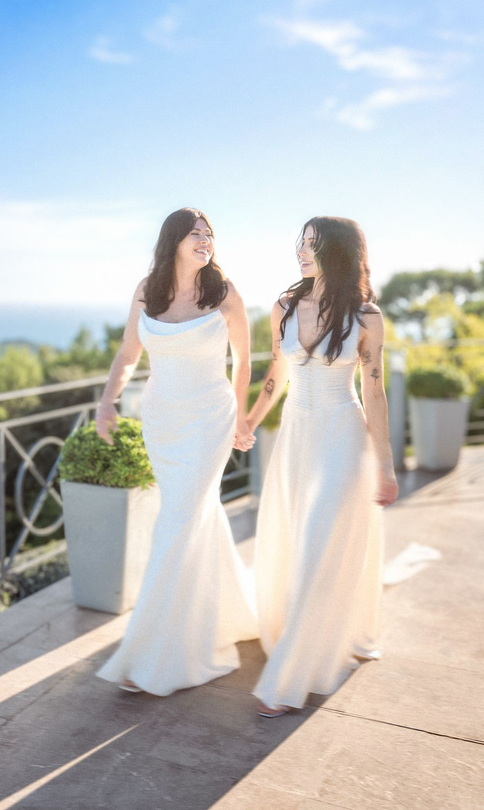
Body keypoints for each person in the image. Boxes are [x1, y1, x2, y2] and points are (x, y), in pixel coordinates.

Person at [95, 207, 258, 696]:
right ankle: (228, 613)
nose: (205, 240)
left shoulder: (223, 291)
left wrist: (243, 417)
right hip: (162, 422)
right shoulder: (148, 289)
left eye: (210, 234)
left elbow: (245, 360)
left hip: (210, 420)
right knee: (192, 516)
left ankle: (152, 648)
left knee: (177, 520)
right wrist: (107, 403)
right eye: (195, 234)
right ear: (173, 240)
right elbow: (128, 352)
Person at [247, 216, 398, 717]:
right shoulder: (284, 307)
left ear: (339, 252)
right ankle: (311, 638)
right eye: (301, 242)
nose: (301, 251)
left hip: (342, 438)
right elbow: (276, 373)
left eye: (312, 244)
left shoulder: (367, 317)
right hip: (295, 438)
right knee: (296, 542)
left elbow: (373, 391)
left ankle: (288, 679)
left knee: (317, 544)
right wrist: (248, 422)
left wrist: (386, 466)